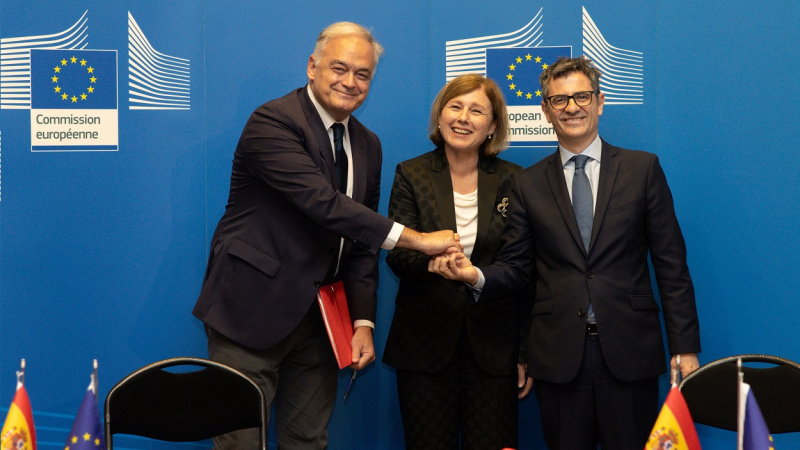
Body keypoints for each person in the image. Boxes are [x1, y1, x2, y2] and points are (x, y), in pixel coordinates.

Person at [192, 22, 459, 450]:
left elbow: (362, 243)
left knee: (308, 441)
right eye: (340, 68)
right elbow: (323, 204)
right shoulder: (273, 121)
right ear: (312, 67)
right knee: (240, 442)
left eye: (363, 74)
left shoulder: (368, 144)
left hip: (321, 322)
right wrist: (416, 239)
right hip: (251, 309)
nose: (350, 82)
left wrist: (362, 321)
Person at [430, 56, 701, 449]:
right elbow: (516, 268)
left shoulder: (642, 169)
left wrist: (684, 347)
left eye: (581, 97)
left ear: (600, 102)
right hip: (559, 357)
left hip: (630, 352)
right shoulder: (526, 184)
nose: (572, 107)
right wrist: (474, 275)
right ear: (546, 110)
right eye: (559, 100)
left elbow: (671, 265)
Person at [382, 74, 533, 450]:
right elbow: (397, 252)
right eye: (455, 106)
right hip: (424, 348)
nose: (463, 118)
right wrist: (430, 264)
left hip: (494, 350)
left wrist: (524, 352)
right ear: (440, 115)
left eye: (477, 110)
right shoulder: (411, 173)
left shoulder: (515, 180)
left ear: (492, 126)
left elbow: (523, 269)